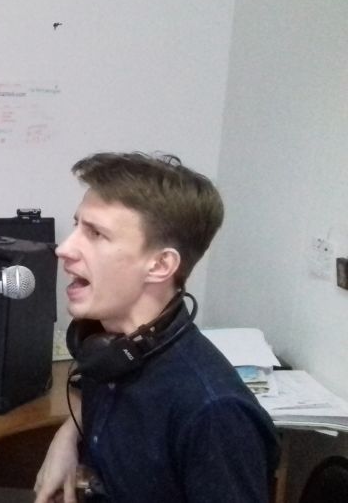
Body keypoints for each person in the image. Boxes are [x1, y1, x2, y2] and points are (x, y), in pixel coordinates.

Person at [33, 152, 279, 503]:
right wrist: (68, 435)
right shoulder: (111, 349)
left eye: (96, 233)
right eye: (77, 226)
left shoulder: (214, 414)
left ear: (160, 265)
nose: (64, 248)